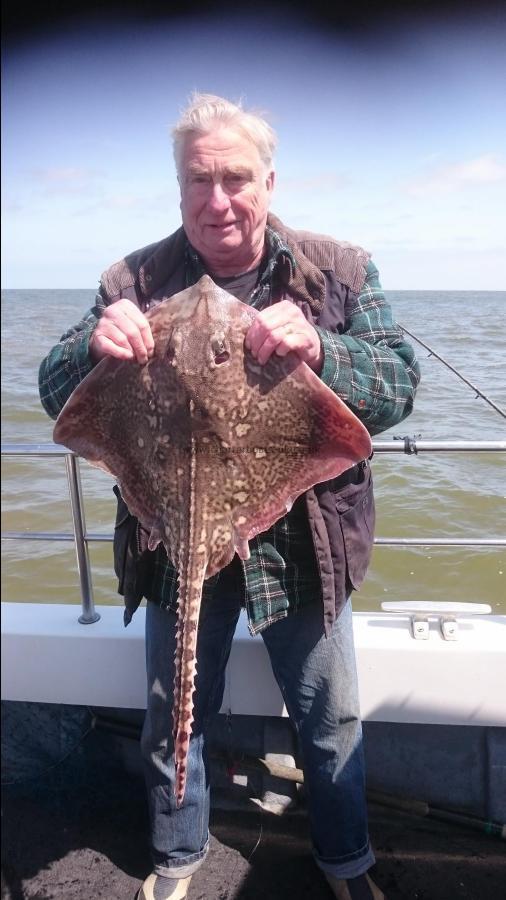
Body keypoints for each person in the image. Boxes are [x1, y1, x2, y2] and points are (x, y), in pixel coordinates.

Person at [39, 92, 420, 900]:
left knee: (329, 723)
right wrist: (91, 347)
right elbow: (55, 391)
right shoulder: (130, 279)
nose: (218, 199)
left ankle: (345, 862)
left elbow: (398, 384)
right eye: (198, 181)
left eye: (236, 178)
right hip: (170, 534)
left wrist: (322, 347)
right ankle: (177, 857)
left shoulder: (340, 269)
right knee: (173, 717)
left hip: (304, 547)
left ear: (269, 182)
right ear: (179, 191)